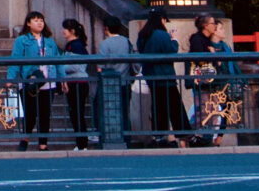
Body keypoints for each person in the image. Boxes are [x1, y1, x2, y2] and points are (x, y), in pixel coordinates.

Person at [138, 14, 191, 146]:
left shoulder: (143, 35)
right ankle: (183, 134)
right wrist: (174, 40)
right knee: (175, 106)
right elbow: (171, 51)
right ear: (161, 20)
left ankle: (159, 135)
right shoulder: (161, 34)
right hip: (165, 76)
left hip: (151, 76)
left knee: (158, 107)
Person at [187, 14, 239, 146]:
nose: (214, 26)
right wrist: (212, 55)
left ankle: (208, 137)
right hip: (202, 81)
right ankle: (199, 137)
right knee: (203, 109)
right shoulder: (197, 39)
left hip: (211, 81)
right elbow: (200, 60)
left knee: (213, 110)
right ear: (206, 26)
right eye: (212, 23)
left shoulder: (208, 40)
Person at [9, 11, 57, 149]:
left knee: (45, 114)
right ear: (28, 23)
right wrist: (11, 78)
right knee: (29, 113)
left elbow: (57, 61)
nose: (39, 23)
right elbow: (15, 59)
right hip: (30, 82)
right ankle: (25, 139)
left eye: (41, 20)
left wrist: (62, 79)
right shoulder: (22, 40)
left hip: (48, 82)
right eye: (36, 20)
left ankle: (43, 144)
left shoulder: (49, 41)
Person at [95, 18, 135, 146]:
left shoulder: (105, 44)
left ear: (106, 28)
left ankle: (109, 138)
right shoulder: (127, 42)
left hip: (109, 84)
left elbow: (100, 65)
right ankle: (126, 138)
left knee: (108, 111)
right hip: (125, 81)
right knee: (125, 111)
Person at [57, 18, 92, 149]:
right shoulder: (76, 44)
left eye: (65, 29)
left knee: (77, 113)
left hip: (77, 82)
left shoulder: (75, 45)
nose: (63, 32)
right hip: (76, 82)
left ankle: (82, 144)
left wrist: (60, 68)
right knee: (76, 113)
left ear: (72, 31)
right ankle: (81, 143)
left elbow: (78, 66)